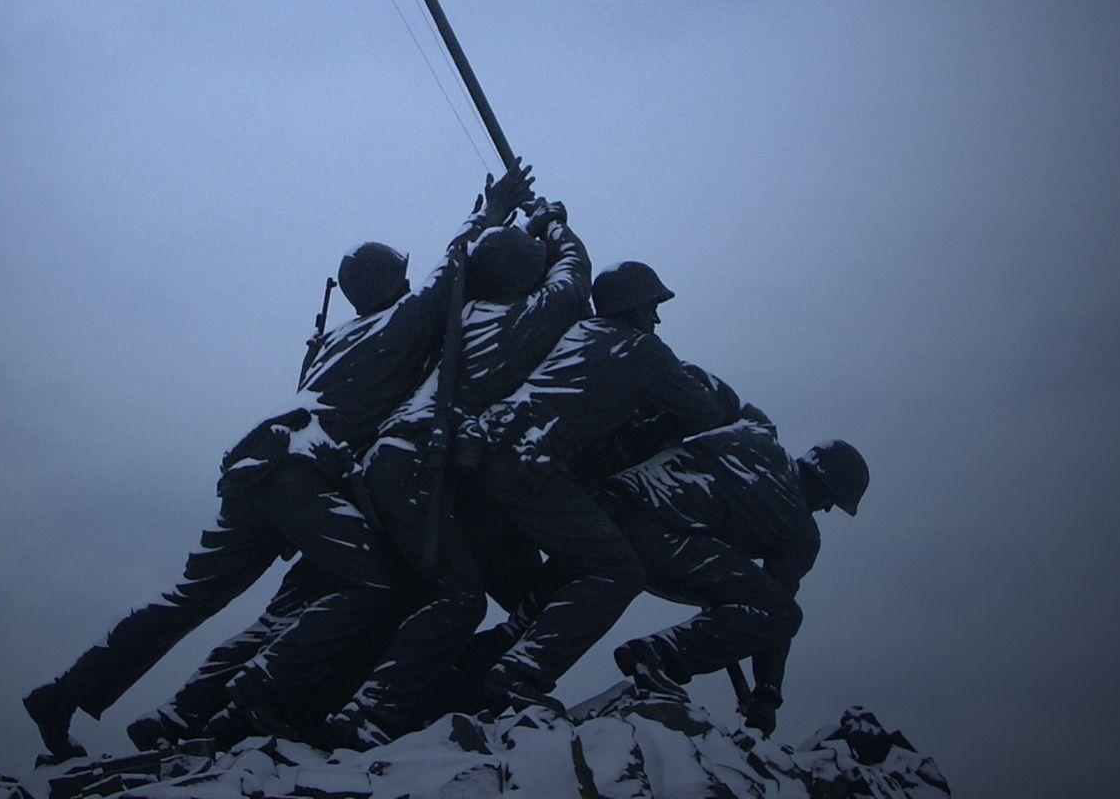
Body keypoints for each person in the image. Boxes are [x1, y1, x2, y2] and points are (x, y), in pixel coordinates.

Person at [21, 166, 533, 763]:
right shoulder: (400, 323)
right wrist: (493, 211)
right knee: (373, 583)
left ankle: (65, 693)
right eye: (401, 272)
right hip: (298, 470)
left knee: (191, 597)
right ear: (392, 280)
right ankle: (260, 688)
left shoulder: (336, 341)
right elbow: (453, 269)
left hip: (256, 466)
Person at [324, 198, 590, 746]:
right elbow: (573, 279)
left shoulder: (457, 314)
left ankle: (452, 687)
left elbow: (458, 268)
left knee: (497, 587)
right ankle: (370, 712)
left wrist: (497, 227)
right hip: (419, 463)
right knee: (460, 597)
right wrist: (555, 226)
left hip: (403, 464)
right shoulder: (525, 319)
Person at [459, 260, 740, 713]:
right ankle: (518, 674)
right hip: (529, 467)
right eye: (652, 306)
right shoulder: (640, 351)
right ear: (632, 307)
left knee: (545, 587)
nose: (657, 317)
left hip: (495, 459)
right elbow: (702, 411)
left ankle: (473, 667)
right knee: (619, 571)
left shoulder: (579, 334)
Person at [598, 407, 868, 737]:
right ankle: (657, 655)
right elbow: (775, 614)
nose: (826, 508)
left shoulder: (756, 433)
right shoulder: (801, 532)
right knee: (783, 613)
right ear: (824, 484)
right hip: (662, 538)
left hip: (609, 505)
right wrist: (767, 693)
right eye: (832, 500)